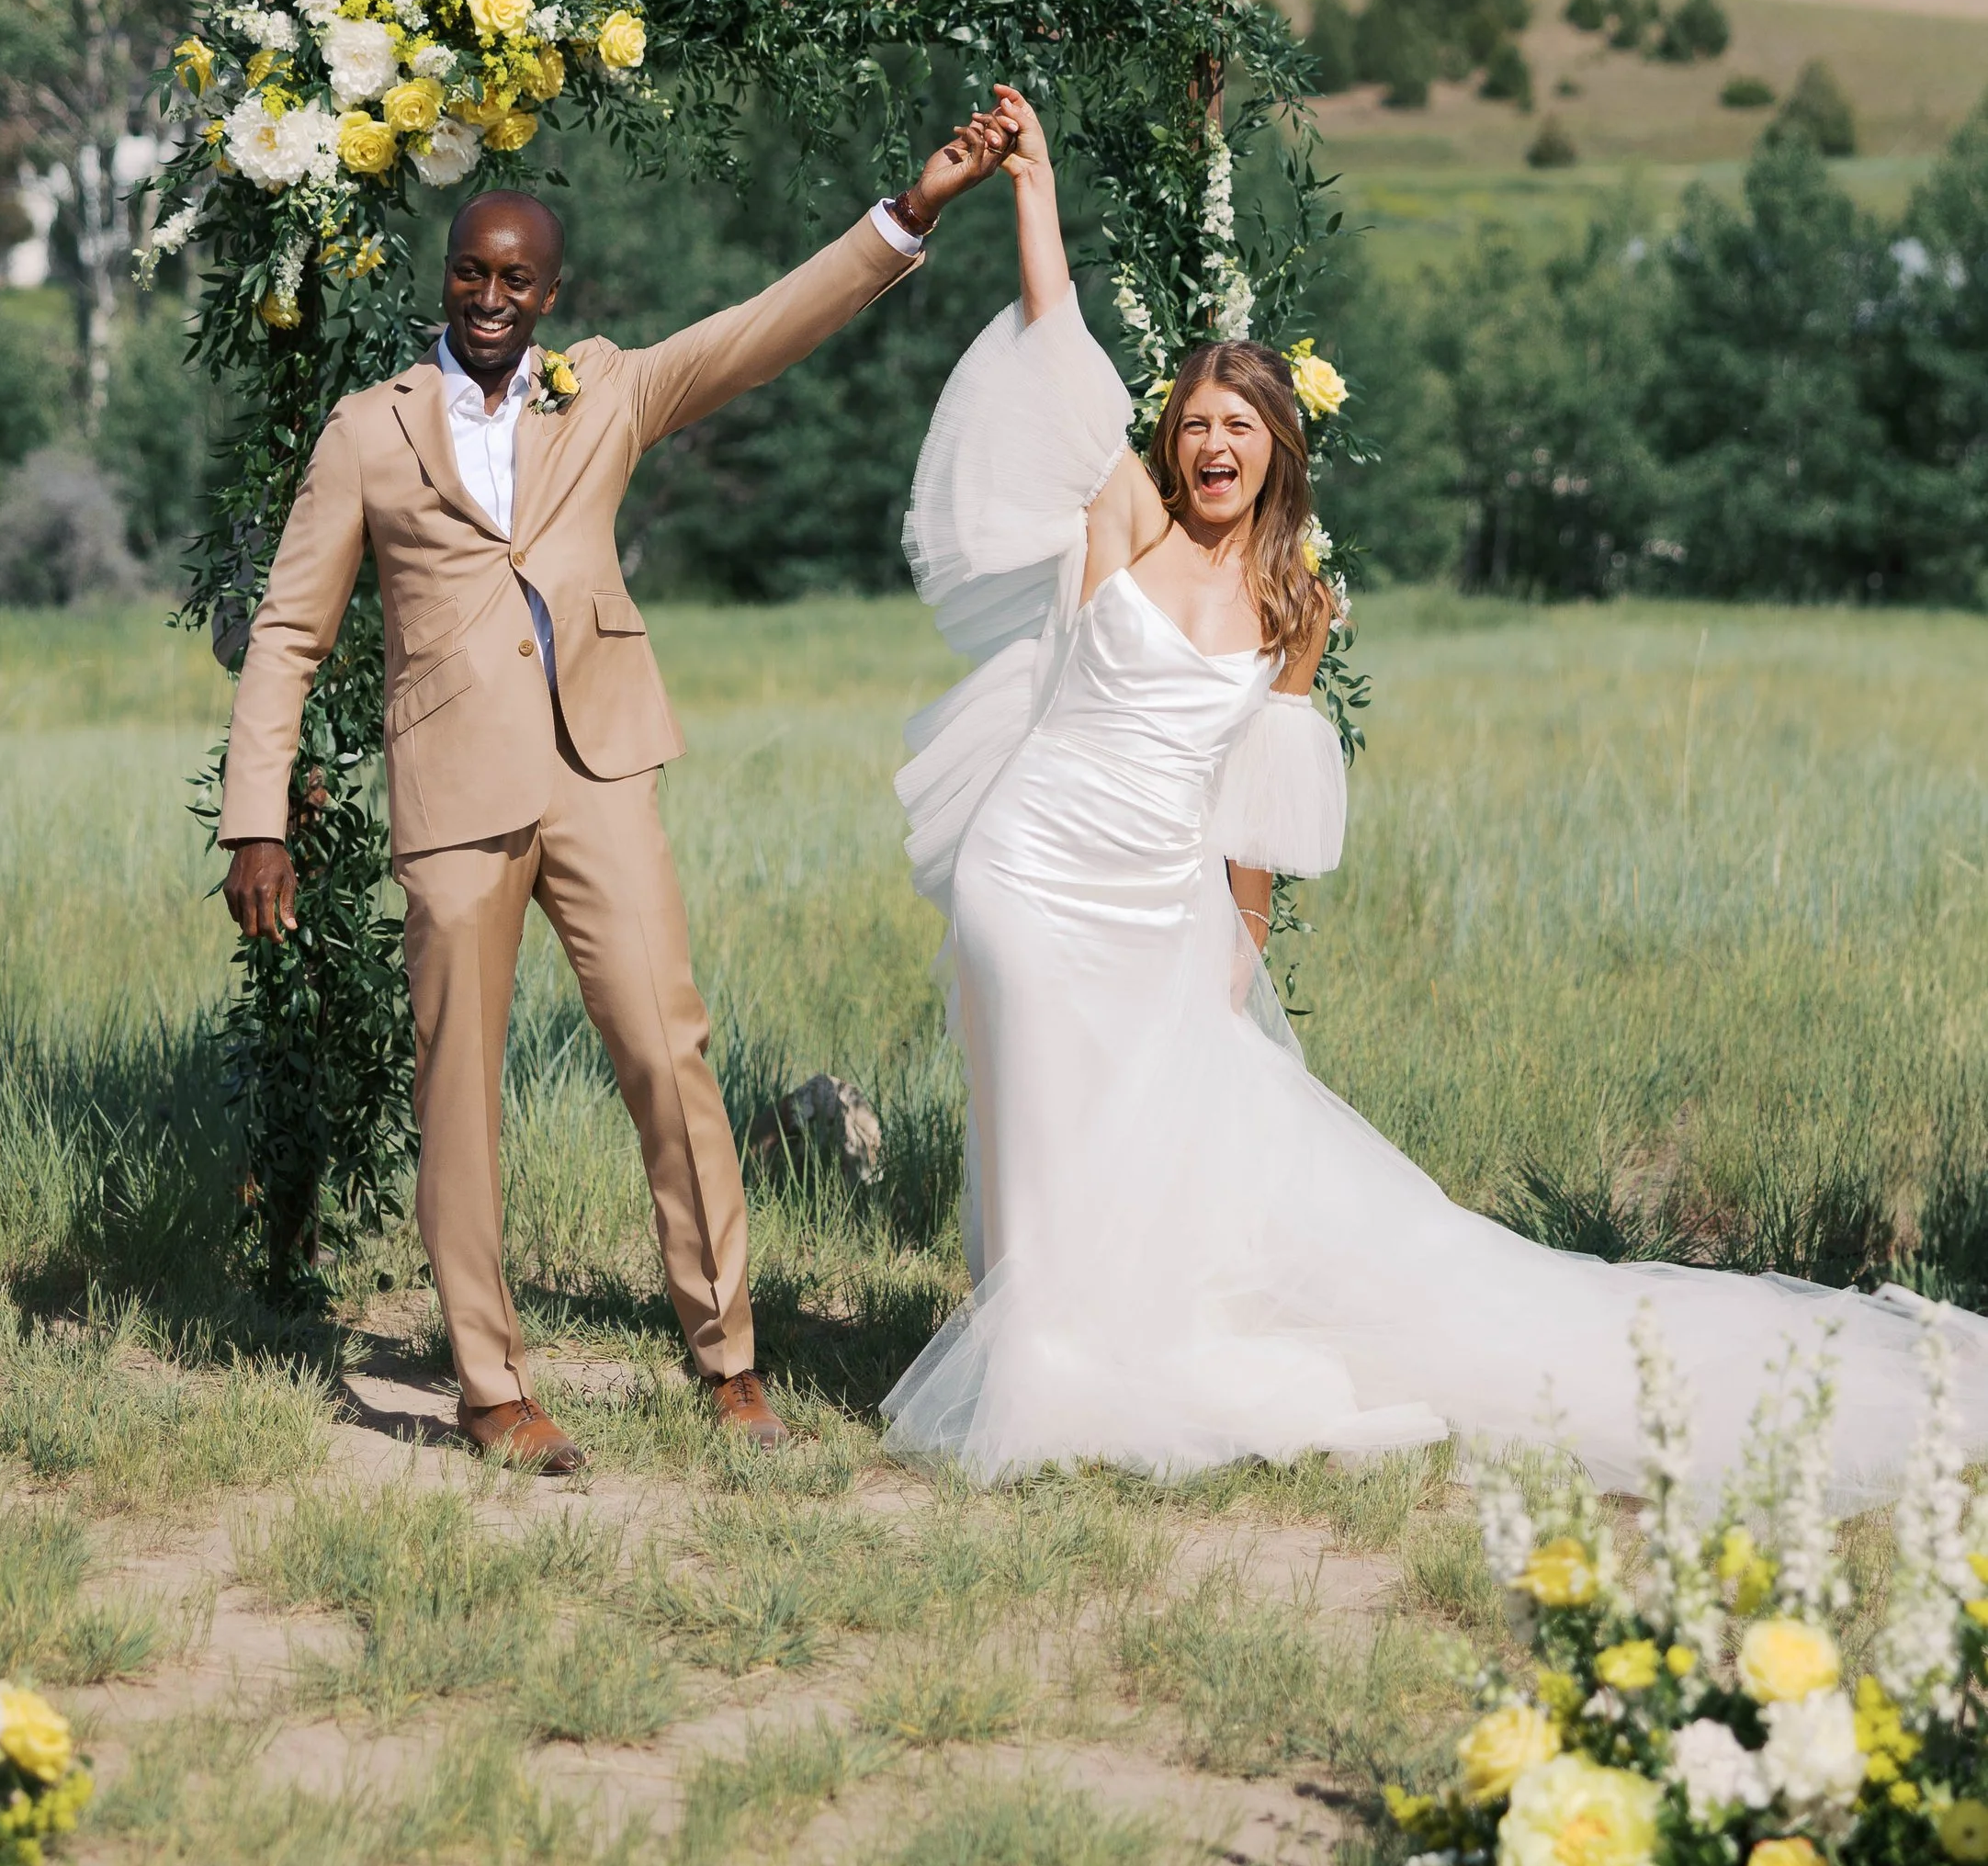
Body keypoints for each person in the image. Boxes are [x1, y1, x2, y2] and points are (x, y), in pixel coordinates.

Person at [882, 85, 1988, 1496]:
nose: (1215, 442)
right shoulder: (1130, 516)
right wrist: (1034, 184)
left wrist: (1243, 947)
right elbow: (1059, 347)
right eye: (1198, 420)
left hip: (1161, 898)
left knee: (1148, 1118)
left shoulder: (1296, 605)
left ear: (1280, 445)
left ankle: (1101, 1341)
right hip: (1031, 870)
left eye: (1242, 424)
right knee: (1036, 1104)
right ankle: (1046, 1347)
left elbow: (1260, 805)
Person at [220, 114, 1011, 1469]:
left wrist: (909, 213)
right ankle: (489, 1388)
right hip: (455, 799)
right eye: (470, 271)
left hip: (600, 770)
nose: (488, 296)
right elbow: (290, 630)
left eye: (515, 279)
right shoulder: (370, 430)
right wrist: (258, 815)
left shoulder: (607, 390)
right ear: (448, 275)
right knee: (458, 1095)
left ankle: (731, 1359)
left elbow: (760, 328)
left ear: (550, 293)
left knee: (667, 1048)